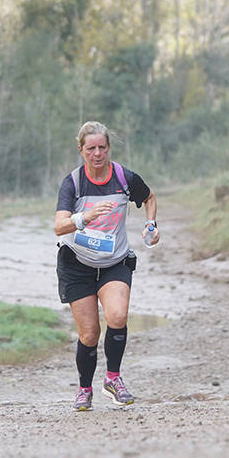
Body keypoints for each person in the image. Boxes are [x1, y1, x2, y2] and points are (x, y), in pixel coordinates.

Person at [54, 121, 159, 411]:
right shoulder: (73, 183)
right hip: (77, 264)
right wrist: (84, 218)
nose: (97, 153)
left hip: (114, 261)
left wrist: (151, 225)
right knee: (89, 333)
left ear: (108, 148)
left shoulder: (124, 178)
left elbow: (149, 197)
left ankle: (113, 379)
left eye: (102, 147)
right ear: (81, 150)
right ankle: (84, 390)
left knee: (118, 314)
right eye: (91, 148)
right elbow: (59, 226)